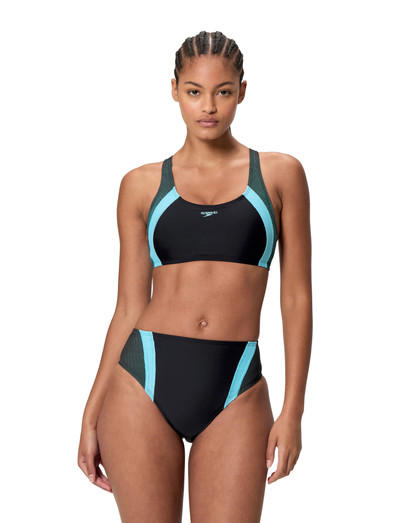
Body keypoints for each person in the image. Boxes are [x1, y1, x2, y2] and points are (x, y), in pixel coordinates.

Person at [78, 30, 313, 523]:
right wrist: (90, 412)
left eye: (223, 91)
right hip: (142, 380)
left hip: (236, 386)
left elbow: (296, 299)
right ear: (174, 90)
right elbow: (128, 306)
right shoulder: (141, 184)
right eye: (194, 91)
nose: (208, 106)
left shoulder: (279, 174)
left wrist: (293, 411)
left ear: (242, 92)